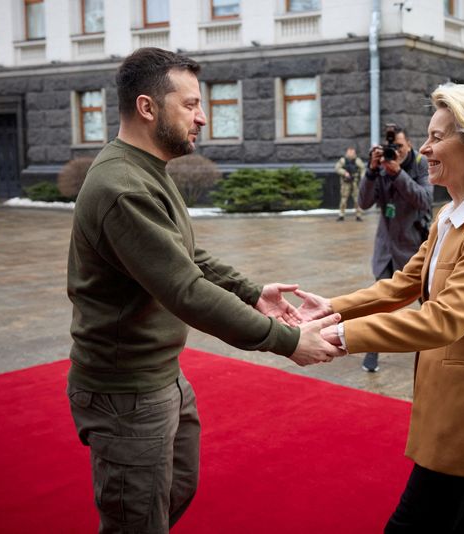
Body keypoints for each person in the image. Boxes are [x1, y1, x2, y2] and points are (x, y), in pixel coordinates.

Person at [66, 48, 344, 534]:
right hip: (126, 390)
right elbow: (186, 290)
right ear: (148, 107)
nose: (203, 117)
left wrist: (252, 291)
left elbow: (186, 256)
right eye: (191, 104)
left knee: (175, 491)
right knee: (137, 521)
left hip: (159, 375)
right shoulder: (122, 186)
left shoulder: (146, 170)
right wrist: (288, 341)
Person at [296, 83, 464, 532]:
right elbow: (404, 283)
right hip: (452, 404)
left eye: (439, 137)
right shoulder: (453, 213)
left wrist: (341, 337)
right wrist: (330, 308)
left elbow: (445, 319)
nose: (424, 147)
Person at [358, 125, 432, 372]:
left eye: (399, 147)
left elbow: (424, 199)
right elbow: (364, 202)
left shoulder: (421, 164)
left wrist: (398, 173)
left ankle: (437, 347)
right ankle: (372, 351)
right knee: (379, 300)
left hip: (413, 245)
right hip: (386, 246)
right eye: (392, 147)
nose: (395, 152)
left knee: (427, 301)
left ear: (409, 145)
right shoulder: (380, 167)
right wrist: (371, 172)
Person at [335, 146, 366, 221]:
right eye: (349, 152)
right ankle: (341, 215)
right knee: (344, 199)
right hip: (346, 182)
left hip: (355, 181)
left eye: (352, 152)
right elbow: (337, 168)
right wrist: (344, 173)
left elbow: (363, 168)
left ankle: (358, 215)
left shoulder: (357, 160)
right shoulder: (343, 160)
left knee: (357, 199)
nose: (351, 154)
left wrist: (362, 178)